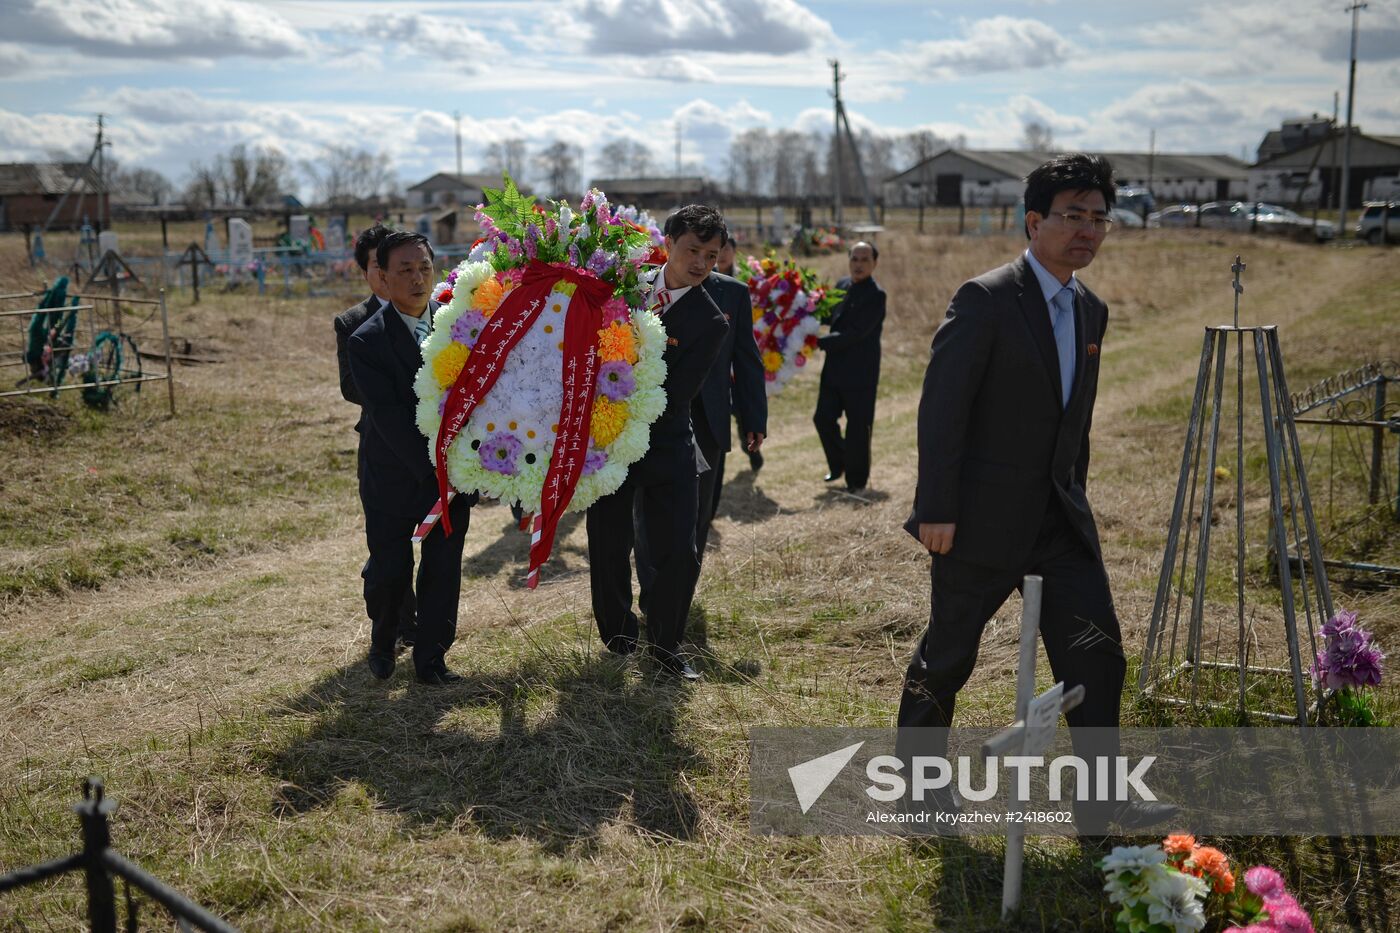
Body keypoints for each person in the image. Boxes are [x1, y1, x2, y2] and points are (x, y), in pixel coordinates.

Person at [897, 153, 1173, 831]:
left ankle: (1101, 800)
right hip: (979, 524)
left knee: (1096, 652)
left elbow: (1071, 423)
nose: (1087, 229)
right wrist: (935, 507)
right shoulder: (985, 298)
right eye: (1071, 215)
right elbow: (943, 410)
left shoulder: (1092, 310)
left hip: (1058, 526)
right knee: (948, 655)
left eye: (1099, 217)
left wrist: (1075, 497)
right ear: (1033, 220)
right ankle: (917, 789)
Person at [586, 205, 730, 681]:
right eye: (692, 250)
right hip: (610, 442)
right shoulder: (626, 286)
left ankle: (666, 646)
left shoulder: (711, 321)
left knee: (678, 552)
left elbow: (676, 395)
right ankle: (618, 636)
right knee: (608, 542)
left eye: (711, 256)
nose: (701, 263)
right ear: (667, 242)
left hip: (667, 446)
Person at [348, 231, 476, 685]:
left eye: (424, 267)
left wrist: (469, 466)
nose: (418, 278)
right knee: (390, 569)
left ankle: (433, 659)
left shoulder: (458, 326)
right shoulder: (367, 341)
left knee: (443, 567)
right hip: (392, 474)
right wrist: (437, 470)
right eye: (405, 270)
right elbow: (387, 417)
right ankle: (384, 642)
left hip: (454, 476)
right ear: (381, 276)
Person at [334, 226, 417, 645]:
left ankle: (413, 626)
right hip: (382, 444)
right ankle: (394, 624)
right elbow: (351, 387)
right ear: (370, 271)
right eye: (375, 267)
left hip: (422, 445)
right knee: (388, 550)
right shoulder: (354, 323)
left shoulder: (432, 314)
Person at [813, 241, 885, 492]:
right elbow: (829, 316)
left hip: (860, 374)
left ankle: (856, 481)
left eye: (865, 259)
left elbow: (854, 333)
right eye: (855, 259)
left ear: (874, 263)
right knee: (822, 419)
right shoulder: (842, 285)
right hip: (834, 369)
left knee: (858, 428)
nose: (859, 264)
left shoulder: (877, 296)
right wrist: (801, 313)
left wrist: (817, 342)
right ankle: (839, 464)